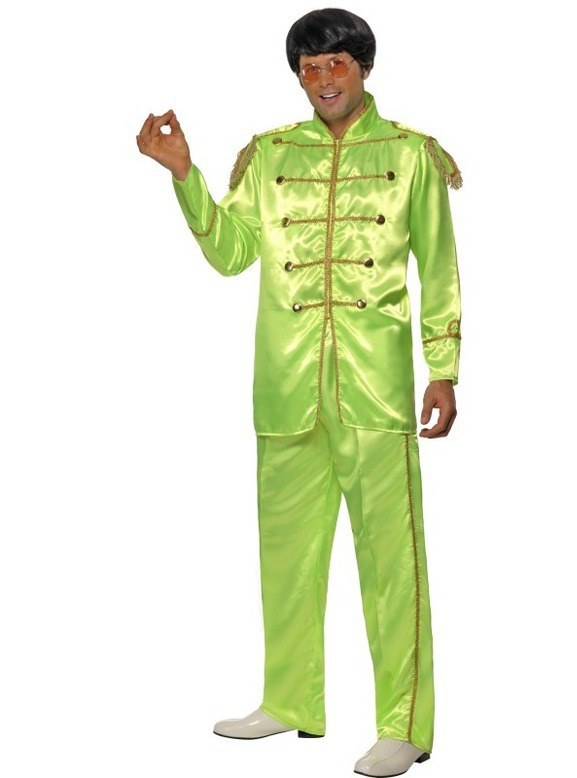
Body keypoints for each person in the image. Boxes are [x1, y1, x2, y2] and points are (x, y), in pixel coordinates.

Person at [136, 7, 462, 776]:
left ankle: (404, 725)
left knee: (394, 570)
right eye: (308, 69)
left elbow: (440, 267)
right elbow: (231, 253)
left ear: (364, 68)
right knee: (286, 561)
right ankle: (290, 702)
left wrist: (443, 368)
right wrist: (184, 175)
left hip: (376, 393)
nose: (322, 80)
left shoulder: (412, 154)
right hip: (285, 390)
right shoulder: (271, 155)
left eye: (335, 64)